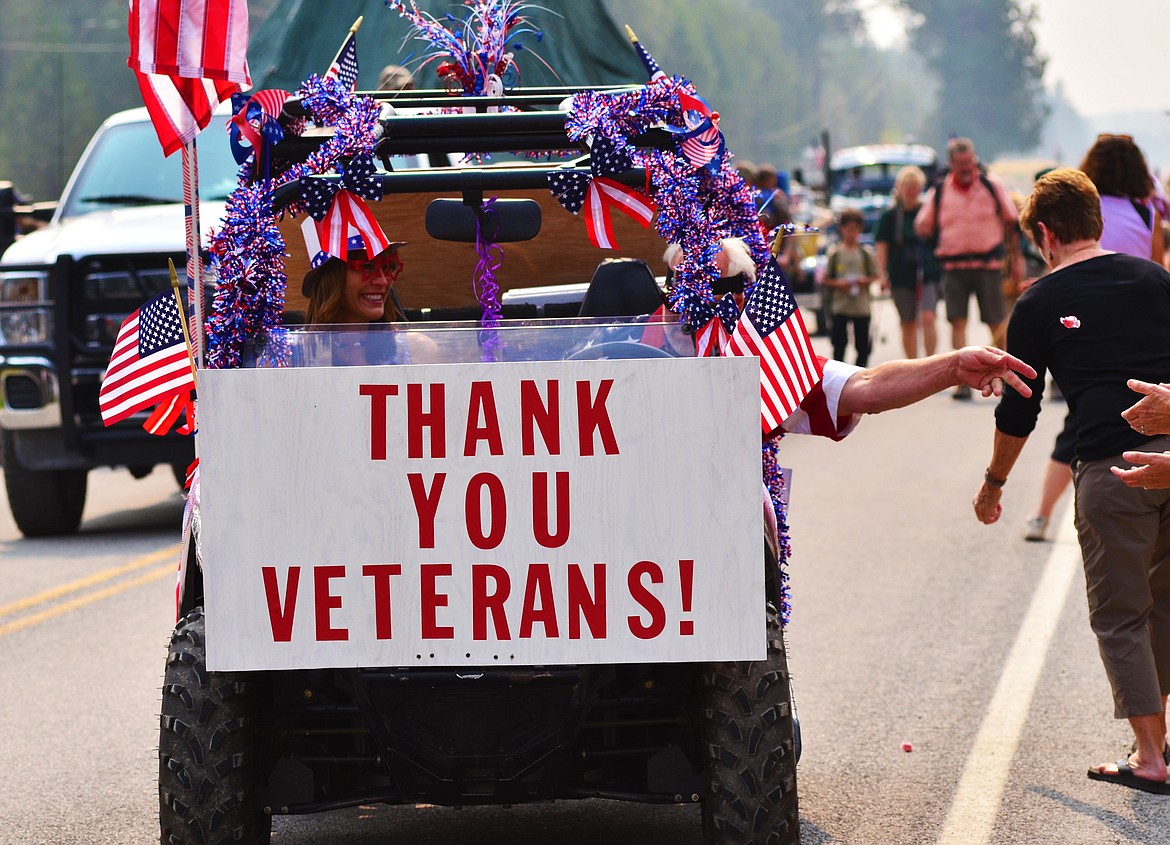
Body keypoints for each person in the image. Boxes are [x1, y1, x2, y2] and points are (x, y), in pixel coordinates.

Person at [972, 168, 1170, 795]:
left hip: (1112, 469)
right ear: (1098, 222)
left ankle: (1150, 758)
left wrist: (994, 482)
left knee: (1119, 615)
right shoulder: (1157, 279)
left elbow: (1018, 410)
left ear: (1045, 233)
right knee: (1163, 604)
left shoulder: (1037, 302)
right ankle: (1157, 736)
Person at [1024, 136, 1163, 541]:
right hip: (1138, 329)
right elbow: (1154, 269)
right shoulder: (1146, 212)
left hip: (1081, 328)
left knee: (1081, 424)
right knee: (1147, 417)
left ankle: (1041, 514)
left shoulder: (1086, 211)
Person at [915, 137, 1023, 398]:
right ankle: (962, 382)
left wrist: (1016, 261)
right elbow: (922, 225)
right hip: (954, 268)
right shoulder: (939, 192)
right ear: (951, 164)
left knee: (996, 321)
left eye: (970, 162)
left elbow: (1012, 222)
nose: (967, 168)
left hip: (989, 266)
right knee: (958, 322)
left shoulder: (991, 186)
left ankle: (1007, 375)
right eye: (961, 164)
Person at [302, 241, 438, 366]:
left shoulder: (417, 349)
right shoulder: (294, 353)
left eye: (386, 267)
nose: (383, 282)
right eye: (367, 267)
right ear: (331, 280)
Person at [874, 166, 940, 359]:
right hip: (900, 274)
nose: (911, 191)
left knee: (928, 317)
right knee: (908, 322)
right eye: (907, 187)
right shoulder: (890, 216)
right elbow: (881, 246)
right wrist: (882, 274)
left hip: (927, 271)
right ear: (899, 188)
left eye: (915, 187)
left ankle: (931, 362)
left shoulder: (928, 213)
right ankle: (913, 366)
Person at [824, 208, 877, 367]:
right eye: (848, 229)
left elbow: (874, 275)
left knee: (863, 346)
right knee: (839, 344)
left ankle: (861, 373)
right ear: (842, 229)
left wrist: (864, 281)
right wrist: (839, 284)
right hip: (841, 306)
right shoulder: (835, 253)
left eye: (855, 230)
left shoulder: (865, 253)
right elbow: (826, 279)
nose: (851, 233)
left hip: (861, 307)